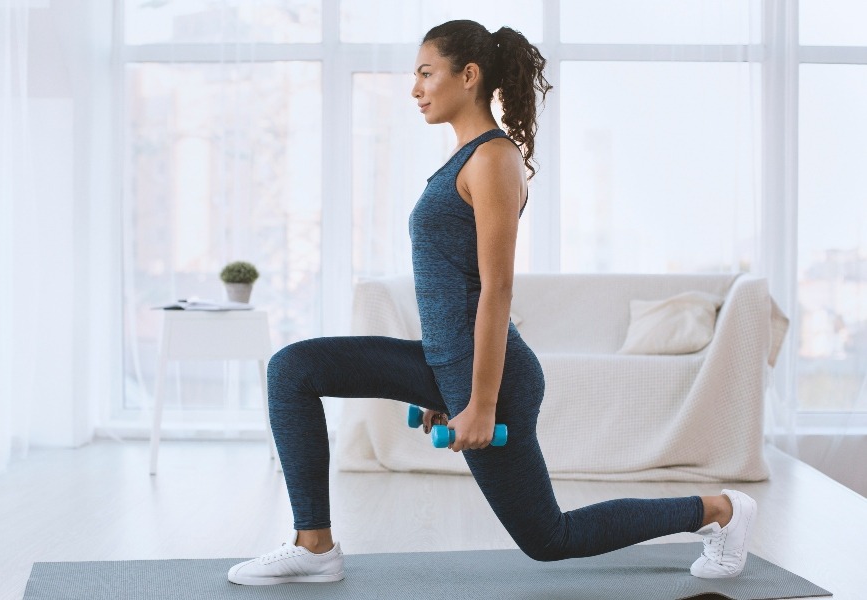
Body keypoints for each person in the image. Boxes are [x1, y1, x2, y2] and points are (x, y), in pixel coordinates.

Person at [227, 19, 757, 586]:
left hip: (493, 378)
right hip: (444, 363)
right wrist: (437, 388)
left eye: (426, 73)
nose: (415, 89)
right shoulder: (464, 159)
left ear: (469, 75)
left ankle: (721, 510)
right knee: (293, 369)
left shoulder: (492, 159)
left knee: (550, 539)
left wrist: (478, 402)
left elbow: (497, 289)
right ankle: (314, 545)